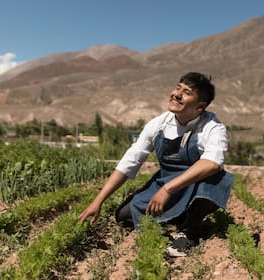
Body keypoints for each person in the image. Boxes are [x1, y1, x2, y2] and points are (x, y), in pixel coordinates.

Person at [78, 72, 234, 257]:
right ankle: (176, 219)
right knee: (124, 215)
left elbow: (213, 163)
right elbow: (131, 161)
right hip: (167, 181)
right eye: (177, 88)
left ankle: (190, 231)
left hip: (193, 186)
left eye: (186, 92)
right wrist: (98, 201)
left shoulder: (212, 127)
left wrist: (167, 189)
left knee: (214, 177)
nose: (177, 94)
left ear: (200, 106)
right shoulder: (159, 123)